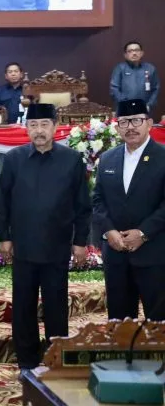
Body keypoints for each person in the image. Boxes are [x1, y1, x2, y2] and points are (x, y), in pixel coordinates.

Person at [0, 103, 91, 374]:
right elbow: (2, 202)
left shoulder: (71, 160)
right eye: (33, 125)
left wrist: (80, 241)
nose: (39, 131)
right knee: (23, 307)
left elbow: (82, 205)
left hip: (56, 247)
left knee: (56, 307)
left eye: (44, 125)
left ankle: (55, 361)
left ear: (55, 127)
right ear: (26, 128)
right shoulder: (13, 159)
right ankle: (26, 363)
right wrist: (4, 237)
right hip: (23, 246)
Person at [93, 99, 165, 321]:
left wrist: (143, 233)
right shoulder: (107, 158)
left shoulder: (162, 156)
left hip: (154, 254)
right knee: (119, 324)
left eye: (136, 121)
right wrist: (109, 231)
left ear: (149, 123)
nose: (130, 127)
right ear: (117, 127)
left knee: (158, 324)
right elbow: (98, 200)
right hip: (116, 255)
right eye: (124, 122)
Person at [110, 41, 160, 112]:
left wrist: (149, 104)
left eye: (137, 50)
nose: (134, 53)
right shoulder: (119, 68)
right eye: (130, 51)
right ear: (125, 55)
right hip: (124, 109)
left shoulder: (150, 68)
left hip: (145, 109)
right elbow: (114, 89)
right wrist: (126, 104)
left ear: (142, 53)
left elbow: (155, 89)